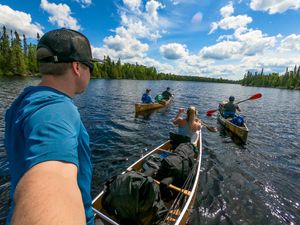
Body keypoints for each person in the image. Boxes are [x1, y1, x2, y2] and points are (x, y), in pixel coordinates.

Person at [4, 28, 95, 225]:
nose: (91, 73)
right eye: (91, 67)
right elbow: (53, 177)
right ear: (77, 67)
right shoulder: (58, 109)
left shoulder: (21, 103)